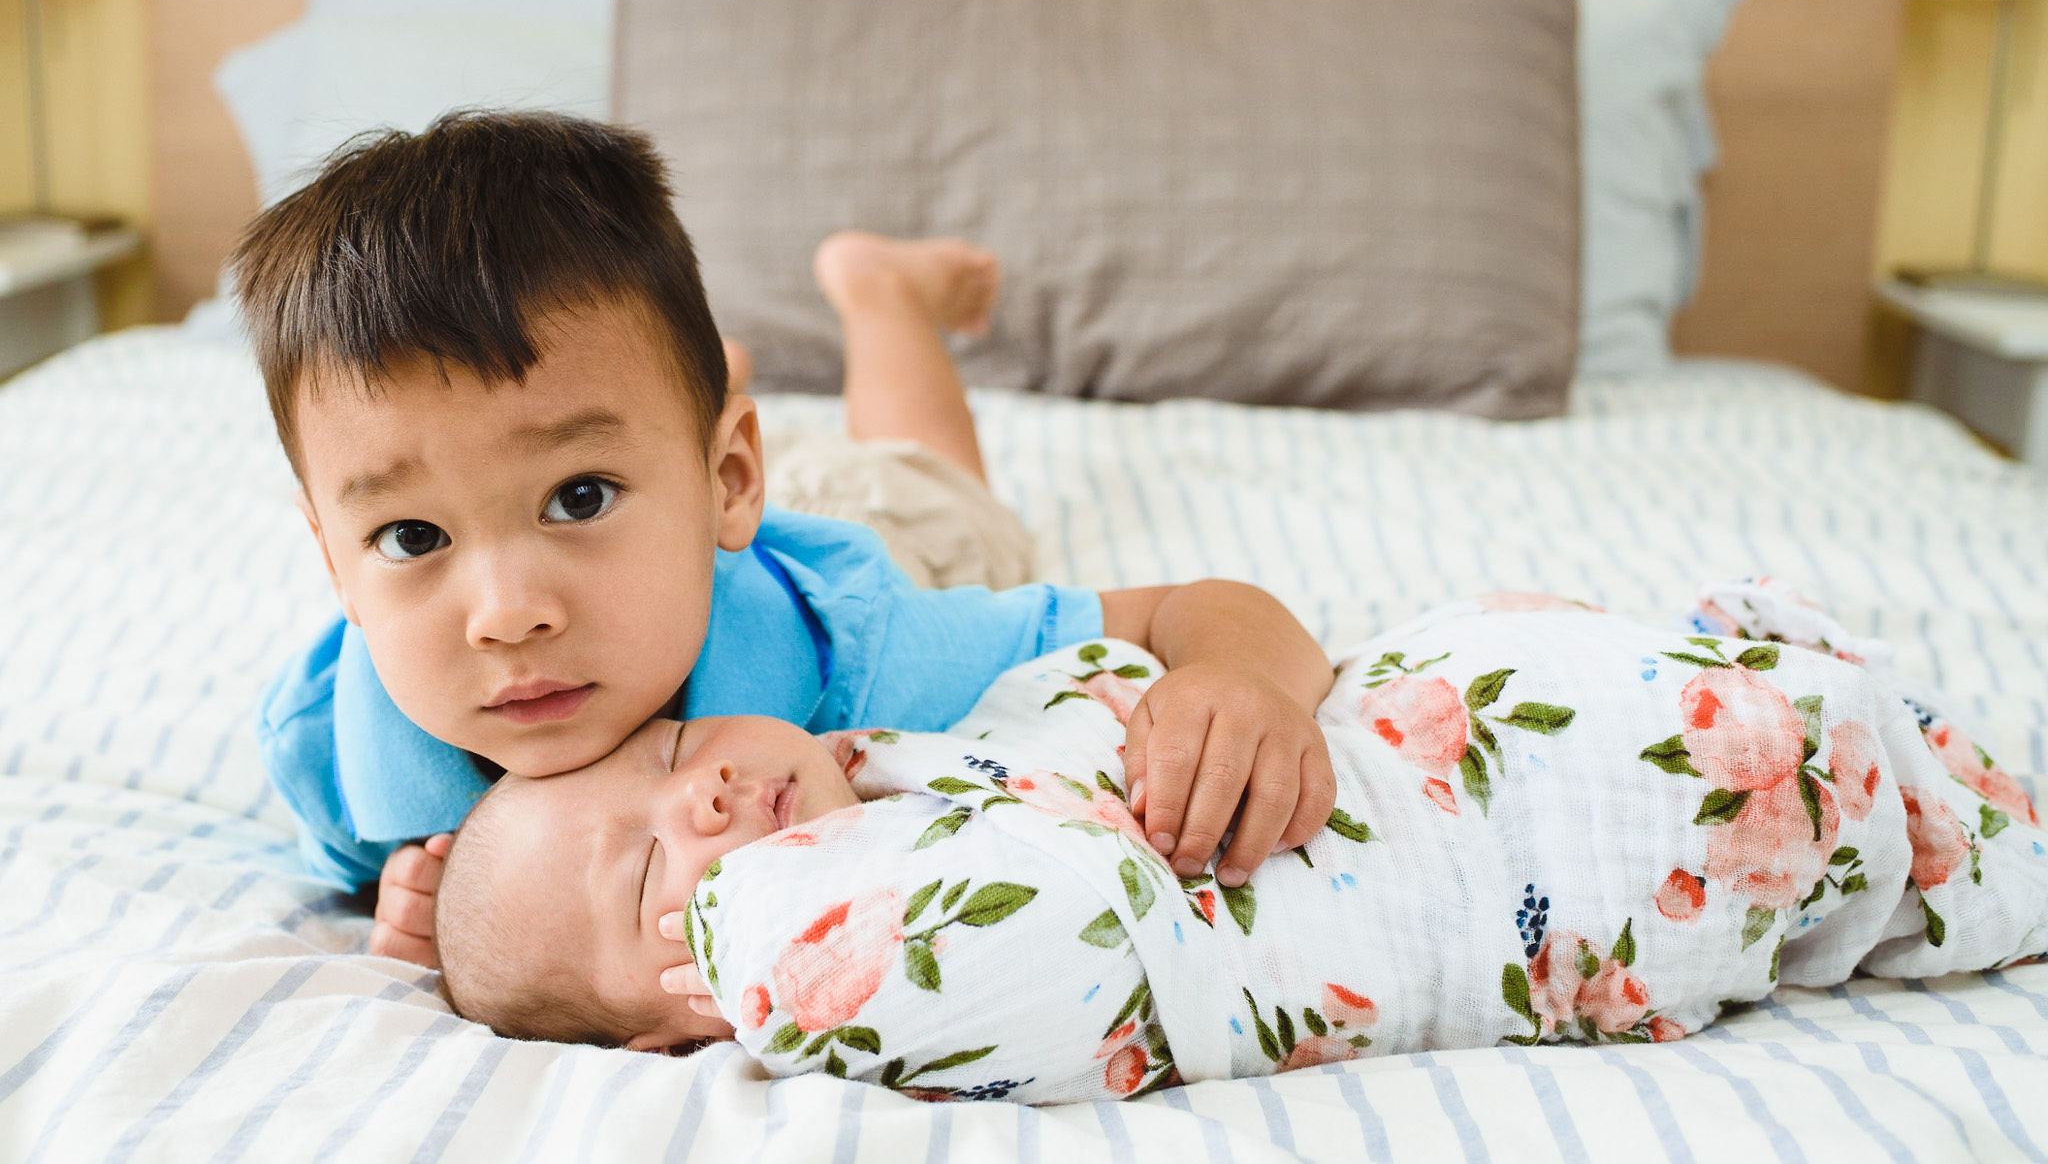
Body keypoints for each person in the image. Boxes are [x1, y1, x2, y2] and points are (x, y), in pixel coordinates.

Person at [232, 113, 1339, 1017]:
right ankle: (670, 408)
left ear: (731, 480)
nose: (507, 614)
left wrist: (1236, 677)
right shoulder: (330, 742)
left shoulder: (866, 660)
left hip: (869, 533)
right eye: (412, 537)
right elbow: (414, 885)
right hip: (689, 496)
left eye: (579, 495)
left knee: (932, 485)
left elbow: (1194, 609)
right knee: (640, 422)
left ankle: (883, 298)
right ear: (333, 560)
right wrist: (410, 909)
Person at [431, 580, 2048, 1104]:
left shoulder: (902, 737)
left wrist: (1233, 684)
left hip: (1440, 706)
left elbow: (1147, 650)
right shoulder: (868, 968)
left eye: (667, 749)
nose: (700, 797)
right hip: (1557, 854)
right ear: (679, 1017)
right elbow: (1055, 926)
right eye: (649, 868)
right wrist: (752, 946)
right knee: (1841, 788)